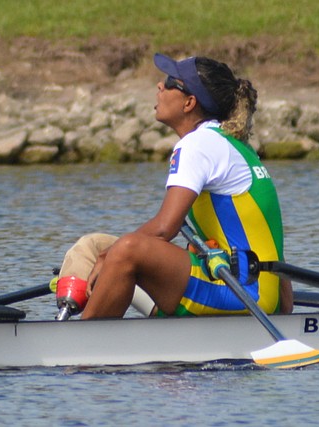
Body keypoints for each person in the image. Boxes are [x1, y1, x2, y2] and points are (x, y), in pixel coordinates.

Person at [79, 53, 293, 319]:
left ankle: (81, 346)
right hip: (247, 286)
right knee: (91, 247)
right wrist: (285, 307)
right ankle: (78, 314)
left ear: (190, 102)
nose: (160, 86)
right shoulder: (233, 144)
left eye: (170, 82)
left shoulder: (198, 145)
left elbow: (163, 229)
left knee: (126, 249)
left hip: (242, 293)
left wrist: (108, 258)